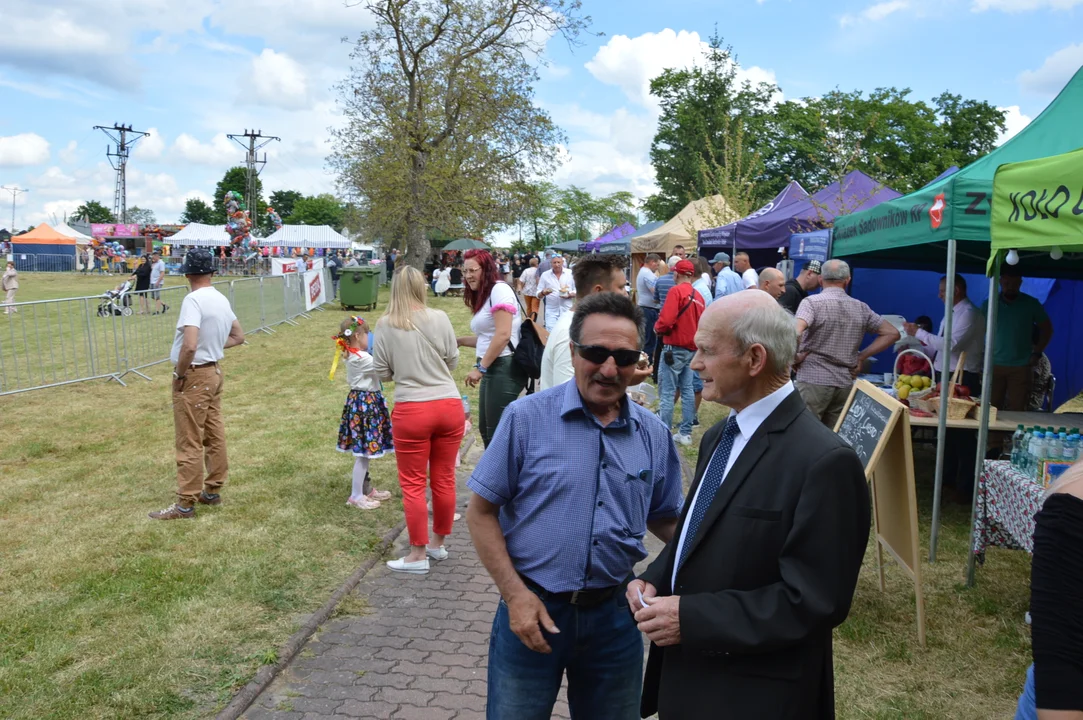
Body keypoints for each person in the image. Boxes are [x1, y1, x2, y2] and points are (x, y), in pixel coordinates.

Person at [628, 290, 871, 720]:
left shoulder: (824, 462)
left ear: (755, 359)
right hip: (691, 680)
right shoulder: (720, 435)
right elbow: (698, 531)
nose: (696, 363)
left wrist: (693, 619)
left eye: (706, 350)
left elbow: (815, 601)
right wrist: (654, 578)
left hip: (755, 695)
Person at [466, 291, 683, 720]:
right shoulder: (525, 418)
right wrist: (515, 596)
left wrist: (726, 552)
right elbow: (481, 513)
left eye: (622, 357)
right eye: (596, 353)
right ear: (572, 350)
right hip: (533, 608)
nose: (607, 368)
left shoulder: (654, 435)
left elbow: (665, 517)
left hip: (616, 617)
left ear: (638, 360)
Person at [373, 266, 465, 574]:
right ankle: (438, 544)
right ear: (423, 286)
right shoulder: (440, 317)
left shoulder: (386, 324)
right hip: (448, 403)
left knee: (413, 484)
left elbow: (382, 372)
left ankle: (417, 553)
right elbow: (452, 359)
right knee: (444, 478)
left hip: (412, 407)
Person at [149, 249, 245, 520]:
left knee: (189, 439)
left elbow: (190, 344)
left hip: (195, 375)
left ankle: (185, 504)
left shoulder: (193, 300)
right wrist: (212, 345)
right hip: (213, 372)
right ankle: (212, 490)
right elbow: (238, 336)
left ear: (188, 274)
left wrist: (180, 374)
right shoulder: (220, 298)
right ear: (212, 272)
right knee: (213, 433)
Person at [903, 274, 985, 499]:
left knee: (963, 434)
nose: (939, 295)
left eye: (942, 291)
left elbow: (950, 344)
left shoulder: (968, 313)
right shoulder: (953, 313)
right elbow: (939, 348)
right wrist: (913, 341)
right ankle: (949, 479)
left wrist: (918, 332)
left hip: (961, 377)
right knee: (947, 432)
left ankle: (965, 486)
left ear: (956, 290)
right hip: (945, 372)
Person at [795, 259, 900, 428]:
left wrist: (795, 358)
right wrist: (861, 357)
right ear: (847, 280)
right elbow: (892, 333)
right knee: (834, 437)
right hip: (844, 382)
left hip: (813, 379)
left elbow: (795, 331)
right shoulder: (860, 307)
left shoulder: (811, 303)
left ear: (821, 279)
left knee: (805, 433)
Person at [540, 254, 649, 391]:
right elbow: (566, 395)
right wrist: (627, 378)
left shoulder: (582, 327)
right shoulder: (570, 332)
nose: (625, 294)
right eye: (621, 287)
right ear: (598, 291)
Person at [457, 249, 525, 448]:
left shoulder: (499, 290)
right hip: (492, 366)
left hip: (504, 366)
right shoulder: (487, 294)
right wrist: (460, 341)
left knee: (497, 434)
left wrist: (481, 368)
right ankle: (497, 477)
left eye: (473, 270)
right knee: (486, 430)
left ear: (486, 269)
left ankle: (504, 477)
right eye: (465, 271)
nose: (468, 275)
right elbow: (488, 339)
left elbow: (503, 335)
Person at [333, 315, 394, 510]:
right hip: (365, 405)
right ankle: (356, 495)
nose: (370, 338)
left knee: (365, 452)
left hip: (365, 403)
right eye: (368, 334)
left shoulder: (355, 355)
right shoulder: (362, 358)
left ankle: (364, 490)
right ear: (358, 335)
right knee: (364, 453)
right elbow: (385, 370)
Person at [982, 265, 1053, 414]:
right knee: (991, 410)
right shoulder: (989, 303)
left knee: (1018, 411)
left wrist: (1037, 352)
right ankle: (994, 438)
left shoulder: (1031, 304)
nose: (1011, 287)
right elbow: (977, 330)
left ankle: (1017, 437)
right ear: (1000, 282)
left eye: (1015, 283)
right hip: (994, 364)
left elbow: (1047, 329)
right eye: (1007, 283)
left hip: (1021, 366)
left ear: (1020, 283)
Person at [655, 259, 706, 446]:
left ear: (676, 273)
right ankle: (685, 433)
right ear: (691, 275)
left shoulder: (675, 291)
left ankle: (665, 433)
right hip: (691, 349)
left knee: (668, 392)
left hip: (673, 348)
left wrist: (657, 328)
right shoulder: (698, 296)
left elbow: (666, 320)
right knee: (687, 390)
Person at [537, 254, 576, 331]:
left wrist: (570, 294)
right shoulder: (545, 275)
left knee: (567, 333)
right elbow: (538, 294)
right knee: (550, 334)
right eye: (554, 262)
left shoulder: (570, 273)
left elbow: (577, 290)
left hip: (567, 310)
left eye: (558, 262)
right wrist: (543, 293)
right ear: (551, 263)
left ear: (562, 262)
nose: (556, 265)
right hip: (551, 311)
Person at [636, 253, 662, 363]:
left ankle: (645, 362)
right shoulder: (648, 274)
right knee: (649, 340)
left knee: (647, 339)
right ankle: (646, 363)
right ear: (652, 262)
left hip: (645, 308)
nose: (658, 267)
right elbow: (655, 291)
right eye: (657, 265)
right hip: (649, 309)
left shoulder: (643, 272)